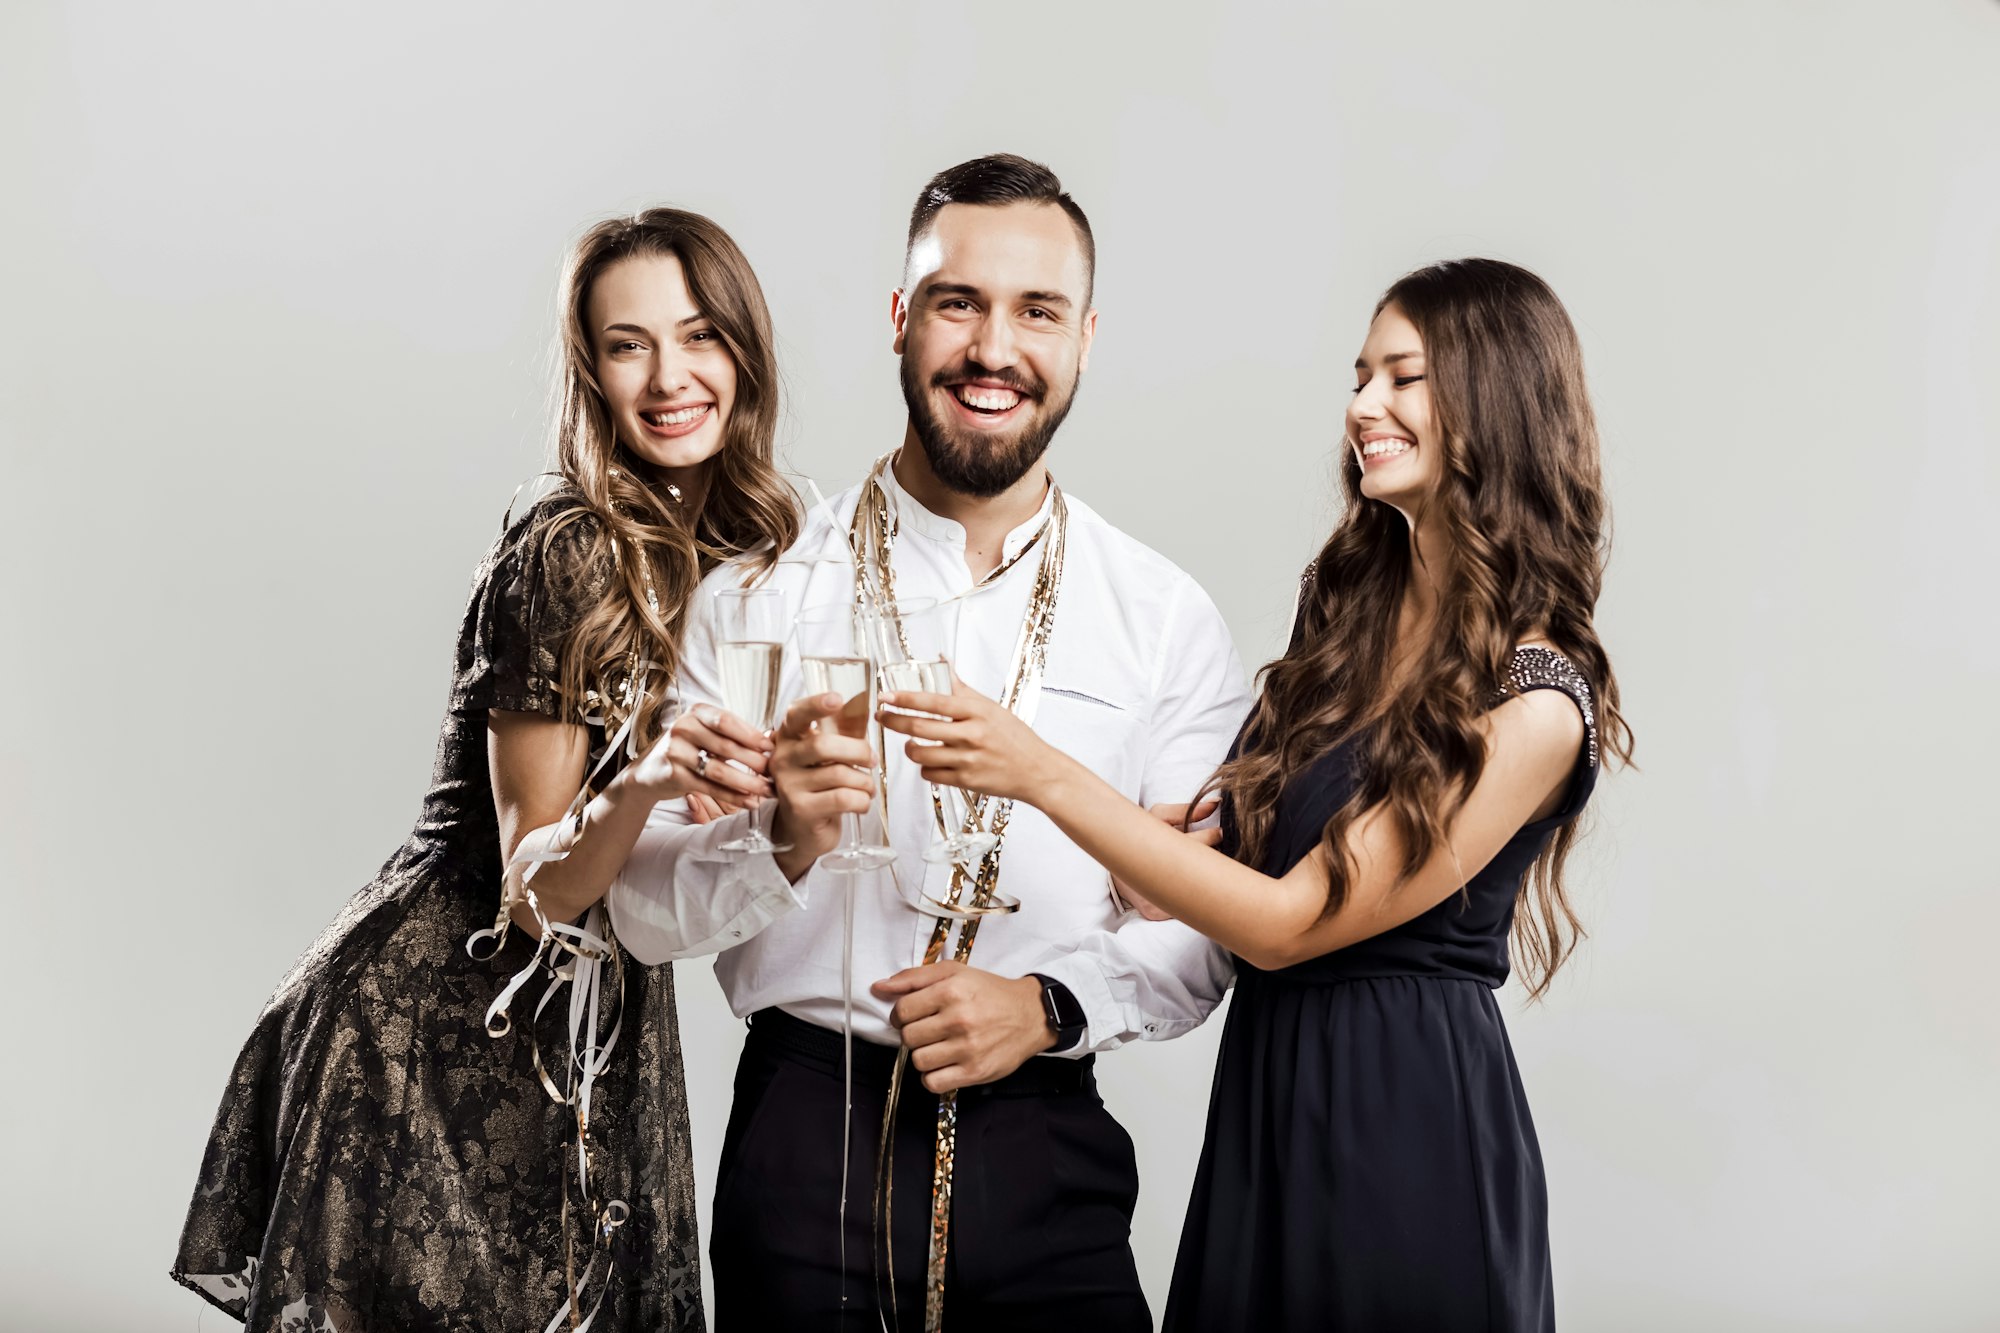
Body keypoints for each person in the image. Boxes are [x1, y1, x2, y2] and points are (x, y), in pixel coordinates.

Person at [877, 257, 1634, 1331]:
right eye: (1360, 374)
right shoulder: (1352, 622)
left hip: (1404, 1120)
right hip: (1274, 1099)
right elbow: (1226, 866)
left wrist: (1037, 769)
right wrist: (1162, 850)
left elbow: (1286, 924)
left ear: (1495, 401)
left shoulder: (1539, 701)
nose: (1362, 405)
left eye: (1402, 378)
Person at [607, 154, 1250, 1330]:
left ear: (1084, 338)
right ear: (902, 321)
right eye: (958, 302)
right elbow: (637, 916)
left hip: (1049, 1147)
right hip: (803, 1143)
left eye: (1035, 311)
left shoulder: (1161, 617)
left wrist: (1050, 1005)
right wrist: (780, 839)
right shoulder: (756, 596)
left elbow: (1208, 928)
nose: (993, 348)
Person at [172, 208, 799, 1333]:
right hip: (443, 1018)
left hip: (593, 1021)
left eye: (699, 335)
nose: (669, 376)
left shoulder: (723, 545)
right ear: (589, 371)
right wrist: (650, 777)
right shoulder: (573, 549)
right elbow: (533, 887)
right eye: (627, 344)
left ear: (744, 351)